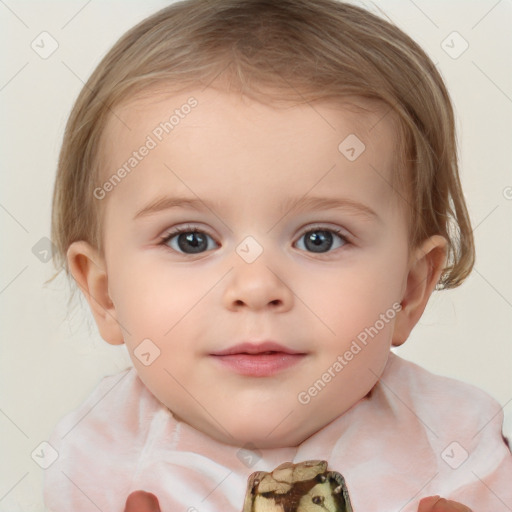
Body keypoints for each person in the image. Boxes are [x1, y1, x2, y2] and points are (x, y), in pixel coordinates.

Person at [44, 0, 512, 510]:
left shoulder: (458, 447)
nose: (256, 288)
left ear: (409, 289)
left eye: (320, 239)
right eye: (191, 240)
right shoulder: (98, 466)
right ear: (105, 293)